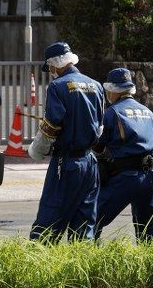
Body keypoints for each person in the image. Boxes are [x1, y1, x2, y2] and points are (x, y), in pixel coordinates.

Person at [27, 41, 104, 242]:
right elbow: (100, 126)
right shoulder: (95, 85)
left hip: (67, 163)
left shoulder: (57, 86)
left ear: (55, 63)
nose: (50, 71)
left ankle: (38, 266)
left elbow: (52, 126)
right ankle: (79, 268)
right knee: (84, 222)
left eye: (50, 67)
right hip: (90, 163)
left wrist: (37, 150)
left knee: (49, 220)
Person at [93, 68, 153, 242]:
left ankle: (89, 261)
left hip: (126, 177)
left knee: (92, 219)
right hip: (151, 175)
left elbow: (98, 145)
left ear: (112, 90)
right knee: (147, 226)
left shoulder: (111, 113)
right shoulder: (147, 111)